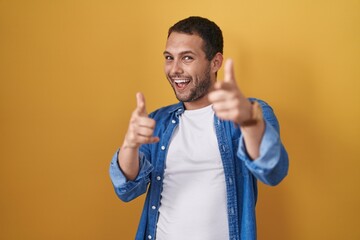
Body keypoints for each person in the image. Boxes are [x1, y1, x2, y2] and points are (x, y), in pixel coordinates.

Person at [109, 16, 289, 240]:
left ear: (215, 62)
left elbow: (274, 171)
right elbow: (126, 189)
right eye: (169, 57)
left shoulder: (250, 112)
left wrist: (249, 123)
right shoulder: (158, 122)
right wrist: (129, 145)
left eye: (187, 58)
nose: (174, 69)